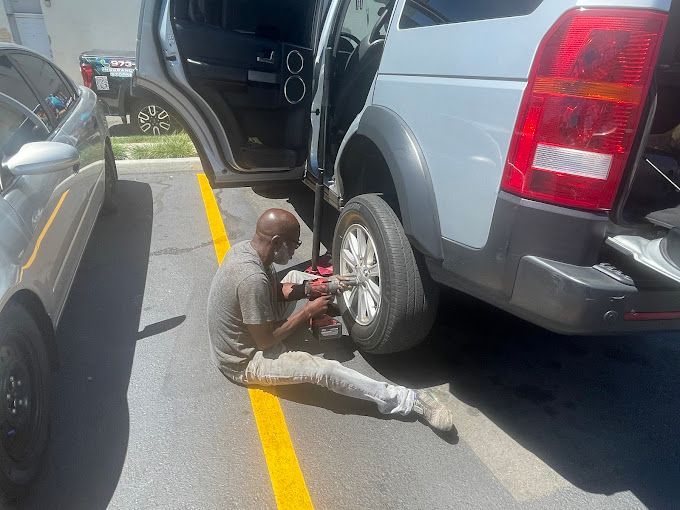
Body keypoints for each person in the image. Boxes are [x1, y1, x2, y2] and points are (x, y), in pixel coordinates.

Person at [207, 208, 455, 432]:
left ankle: (331, 303)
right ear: (276, 242)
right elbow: (265, 342)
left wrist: (318, 287)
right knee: (324, 370)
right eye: (293, 244)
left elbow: (273, 291)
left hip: (246, 331)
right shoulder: (250, 278)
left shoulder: (249, 251)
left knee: (295, 277)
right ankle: (408, 400)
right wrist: (307, 313)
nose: (295, 250)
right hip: (244, 359)